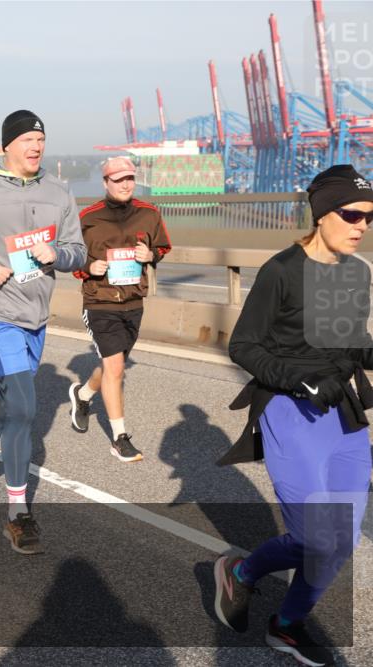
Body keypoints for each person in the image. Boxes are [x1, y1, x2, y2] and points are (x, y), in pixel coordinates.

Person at [213, 165, 373, 667]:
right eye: (352, 214)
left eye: (369, 217)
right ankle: (241, 573)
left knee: (339, 540)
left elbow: (348, 343)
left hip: (341, 416)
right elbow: (243, 346)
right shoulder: (282, 271)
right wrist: (300, 379)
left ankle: (287, 625)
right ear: (323, 214)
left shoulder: (355, 272)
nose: (362, 226)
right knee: (315, 537)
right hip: (290, 409)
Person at [0, 110, 86, 554]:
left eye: (40, 139)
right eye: (26, 139)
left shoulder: (59, 192)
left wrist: (56, 255)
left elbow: (78, 252)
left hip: (36, 315)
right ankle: (18, 513)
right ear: (6, 145)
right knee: (23, 407)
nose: (35, 146)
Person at [67, 156, 171, 462]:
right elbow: (71, 256)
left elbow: (163, 247)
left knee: (115, 364)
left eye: (129, 178)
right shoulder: (87, 217)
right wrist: (89, 266)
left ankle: (83, 395)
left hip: (133, 301)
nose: (125, 184)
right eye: (117, 179)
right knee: (115, 368)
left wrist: (150, 254)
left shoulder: (149, 213)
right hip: (100, 302)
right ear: (105, 183)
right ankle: (120, 438)